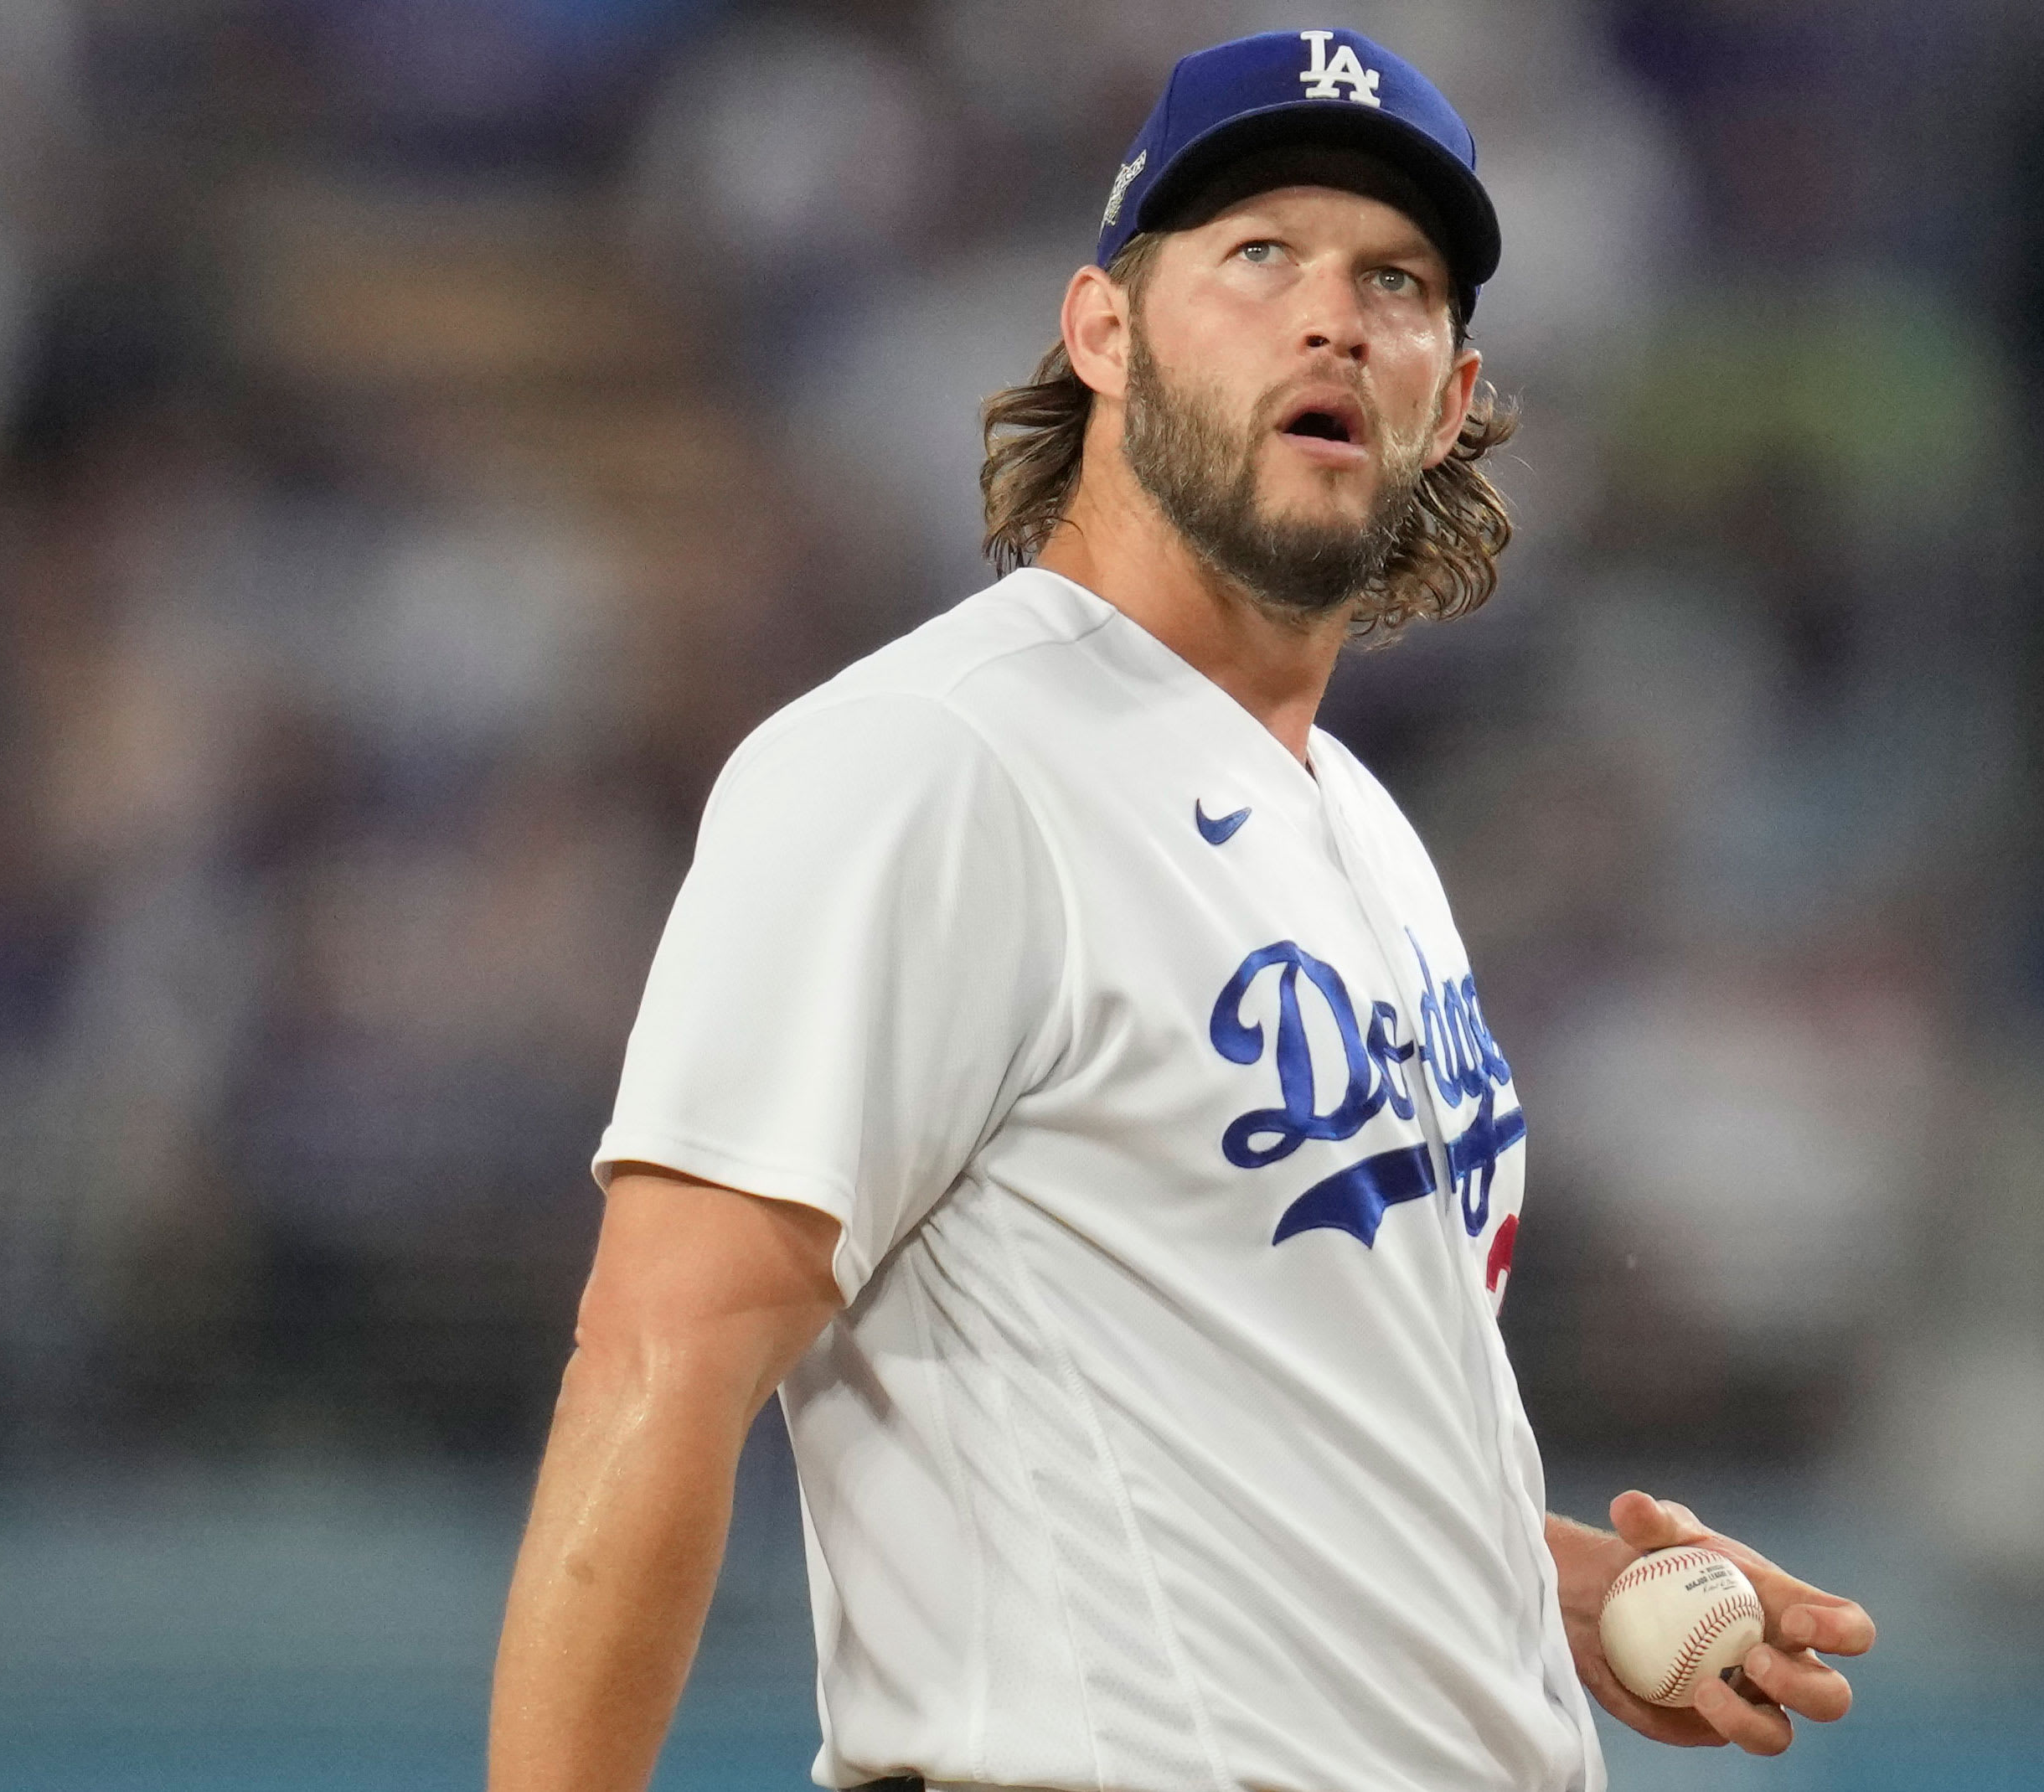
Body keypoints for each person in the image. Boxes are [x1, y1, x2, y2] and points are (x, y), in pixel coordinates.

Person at [486, 29, 1875, 1792]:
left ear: (1448, 397)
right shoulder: (931, 760)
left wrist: (1534, 1593)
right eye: (1256, 253)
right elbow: (654, 1364)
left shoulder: (1358, 824)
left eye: (1394, 280)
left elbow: (1224, 1404)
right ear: (1103, 334)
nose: (1332, 317)